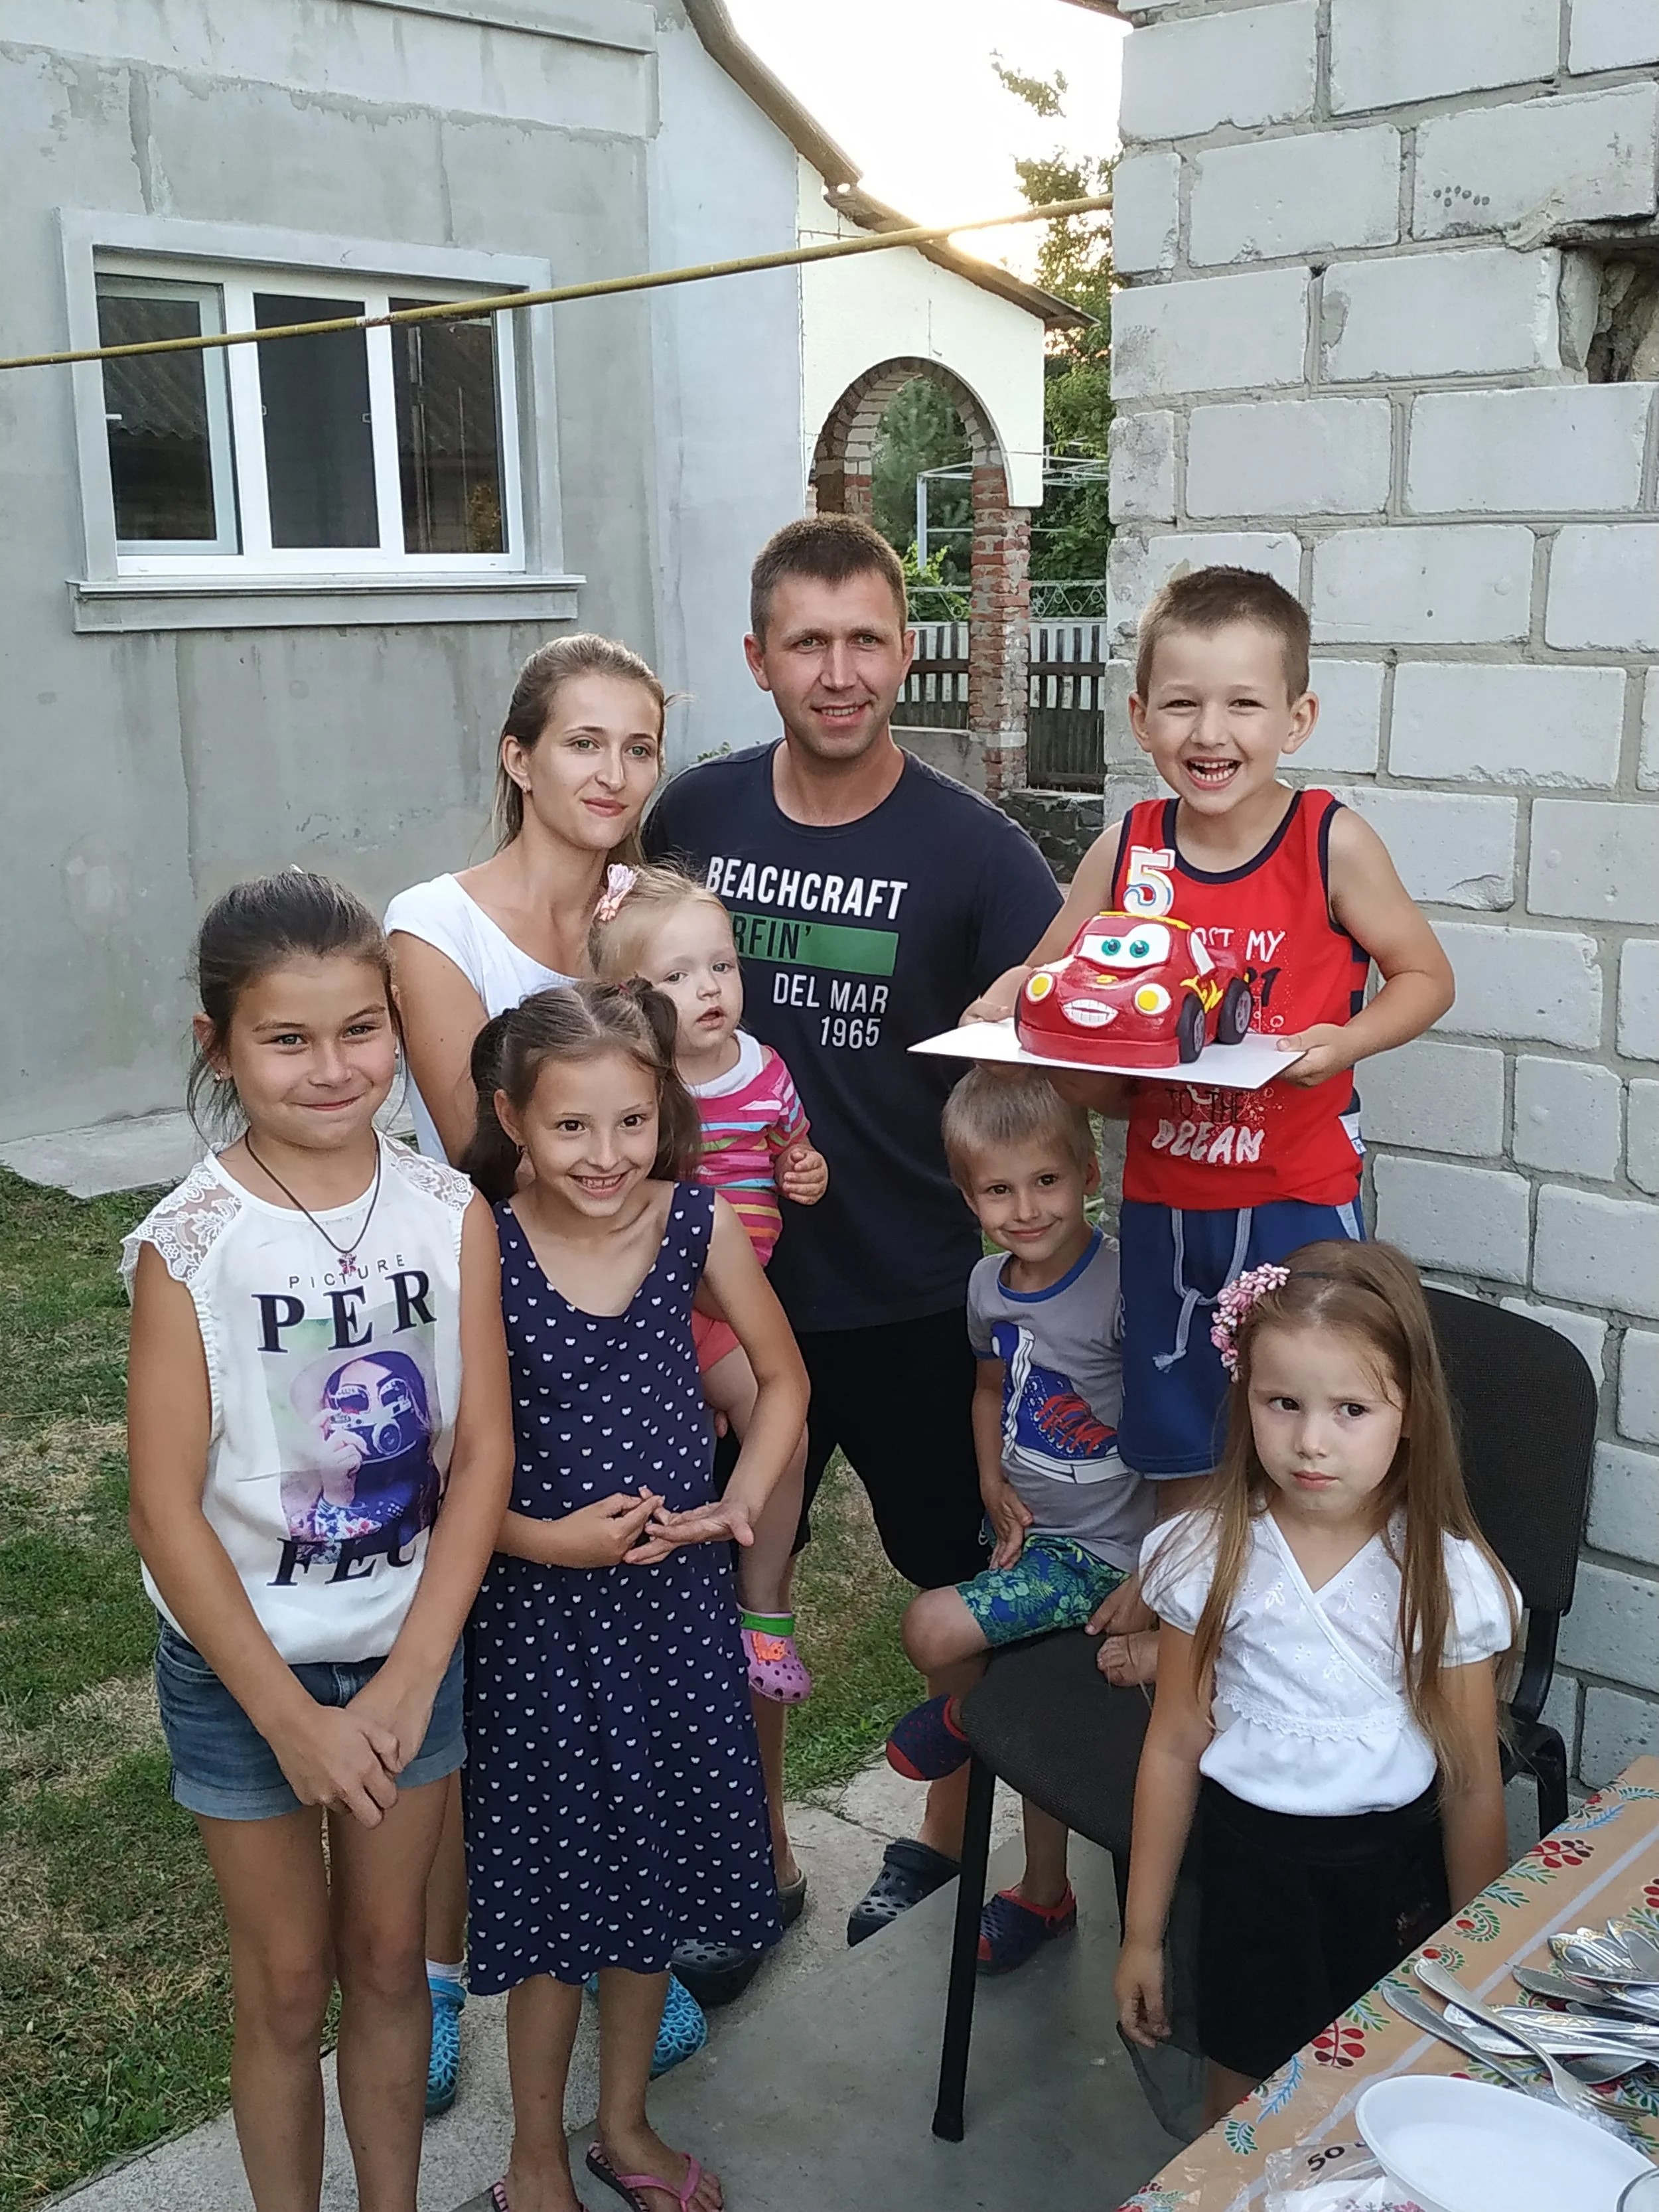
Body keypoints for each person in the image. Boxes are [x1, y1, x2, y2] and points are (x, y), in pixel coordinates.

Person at [644, 512, 1064, 1947]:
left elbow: (1069, 1010)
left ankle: (947, 1838)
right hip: (713, 1309)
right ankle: (751, 1867)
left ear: (906, 652)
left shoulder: (974, 848)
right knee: (721, 1591)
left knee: (963, 1578)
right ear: (757, 656)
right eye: (807, 642)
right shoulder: (690, 820)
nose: (839, 672)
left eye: (867, 639)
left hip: (908, 1296)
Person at [966, 566, 1455, 1685]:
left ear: (1298, 718)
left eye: (1242, 702)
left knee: (1308, 1420)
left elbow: (1427, 975)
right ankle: (1190, 1608)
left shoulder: (1328, 841)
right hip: (1169, 1199)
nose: (1211, 730)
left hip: (1297, 1195)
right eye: (1181, 703)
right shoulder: (1130, 846)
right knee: (1183, 1419)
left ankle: (1299, 1633)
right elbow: (1052, 979)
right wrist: (1004, 1010)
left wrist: (1344, 1041)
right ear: (1139, 718)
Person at [123, 872, 514, 2212]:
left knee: (391, 1960)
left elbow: (482, 1462)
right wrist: (288, 1714)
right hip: (247, 1686)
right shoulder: (195, 1241)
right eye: (287, 1039)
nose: (331, 1066)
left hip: (408, 1661)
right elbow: (164, 1508)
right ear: (217, 1046)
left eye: (360, 1029)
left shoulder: (451, 1213)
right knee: (288, 1984)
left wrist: (412, 1676)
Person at [460, 982, 808, 2212]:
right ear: (512, 1118)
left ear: (663, 1109)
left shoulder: (695, 1224)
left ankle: (626, 2127)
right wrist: (543, 1542)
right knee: (560, 1893)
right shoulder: (482, 1242)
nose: (603, 1157)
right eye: (568, 1129)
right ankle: (533, 2157)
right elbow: (446, 1474)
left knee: (651, 1878)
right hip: (538, 1624)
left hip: (674, 1618)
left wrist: (738, 1503)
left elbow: (782, 1378)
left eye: (628, 1122)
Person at [386, 633, 667, 2106]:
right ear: (518, 757)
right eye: (581, 744)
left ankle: (624, 1942)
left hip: (629, 1313)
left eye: (635, 749)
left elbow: (687, 1098)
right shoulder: (436, 928)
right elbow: (478, 1158)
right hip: (494, 1316)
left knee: (609, 1663)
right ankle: (443, 1975)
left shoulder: (646, 914)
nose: (610, 774)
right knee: (485, 1664)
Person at [1114, 1241, 1518, 2124]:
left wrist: (1475, 1951)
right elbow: (1177, 1739)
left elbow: (1474, 1780)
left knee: (1382, 2102)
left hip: (1391, 1880)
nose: (1310, 1441)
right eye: (1282, 1402)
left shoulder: (1443, 1581)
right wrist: (1141, 1934)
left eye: (1351, 1409)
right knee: (1248, 2110)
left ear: (1409, 1411)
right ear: (1245, 1397)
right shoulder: (1206, 1554)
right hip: (1252, 1876)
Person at [883, 1068, 1151, 1974]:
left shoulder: (1123, 1287)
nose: (1027, 1208)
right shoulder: (988, 1287)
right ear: (970, 1197)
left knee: (933, 1625)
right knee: (1030, 1714)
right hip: (1030, 1536)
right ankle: (1045, 1893)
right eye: (999, 1189)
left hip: (1109, 1558)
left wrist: (1158, 1569)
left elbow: (1185, 1430)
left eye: (1046, 1181)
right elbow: (992, 1385)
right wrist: (992, 1478)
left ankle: (970, 1715)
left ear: (1089, 1173)